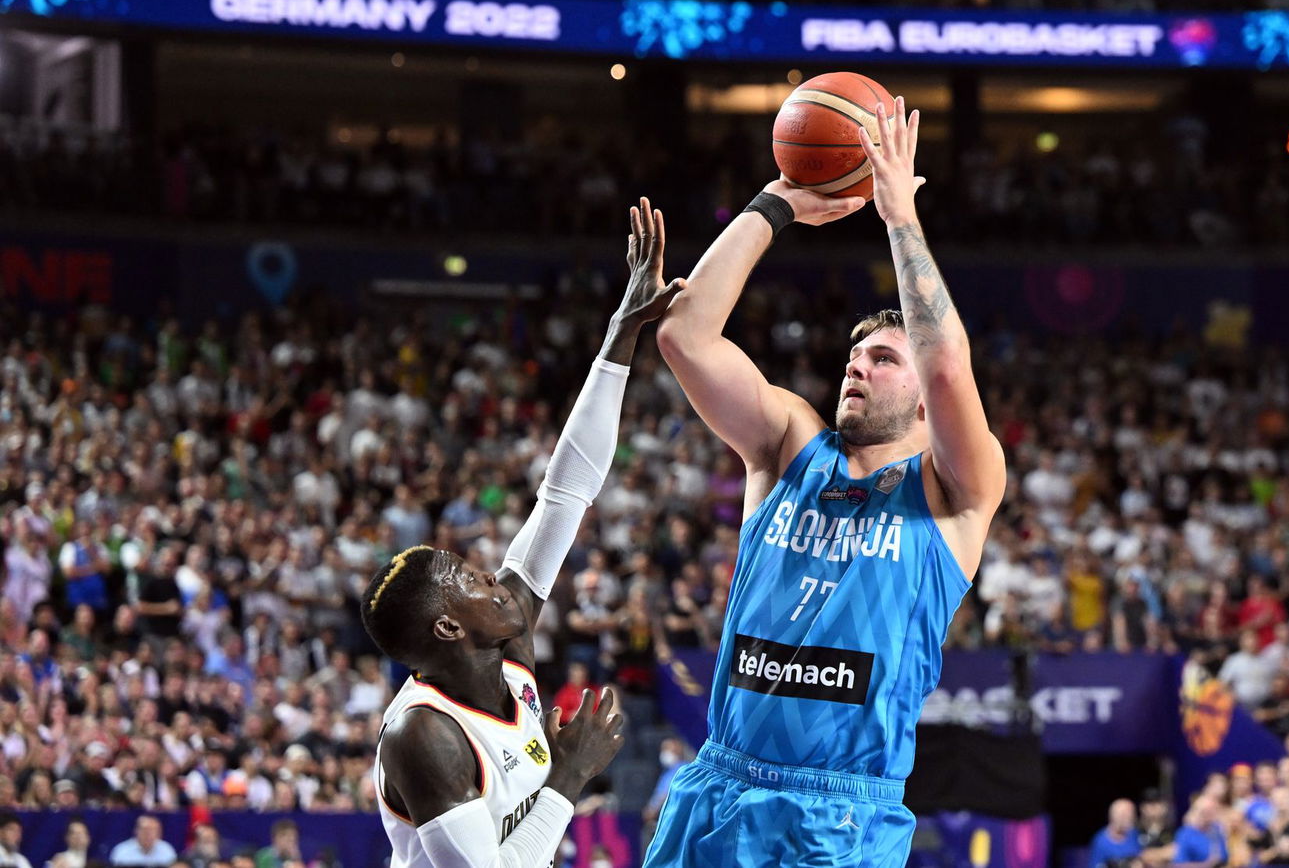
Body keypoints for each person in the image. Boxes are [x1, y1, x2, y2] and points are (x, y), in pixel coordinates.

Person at [644, 97, 1006, 868]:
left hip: (840, 812)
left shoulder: (953, 489)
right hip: (718, 781)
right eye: (854, 355)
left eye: (883, 359)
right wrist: (777, 204)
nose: (857, 365)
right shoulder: (786, 446)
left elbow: (945, 362)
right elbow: (682, 335)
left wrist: (897, 215)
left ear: (917, 397)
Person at [364, 199, 683, 868]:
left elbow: (567, 490)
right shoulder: (423, 735)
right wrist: (570, 776)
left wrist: (621, 332)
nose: (493, 576)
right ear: (450, 629)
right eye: (470, 582)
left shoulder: (508, 638)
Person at [1090, 799, 1145, 868]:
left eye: (1130, 815)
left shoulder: (1136, 834)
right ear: (1112, 816)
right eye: (1123, 815)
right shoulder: (1101, 841)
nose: (1128, 819)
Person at [109, 817, 177, 868]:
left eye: (153, 831)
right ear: (136, 831)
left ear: (159, 833)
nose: (148, 834)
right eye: (145, 830)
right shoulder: (121, 851)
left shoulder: (167, 850)